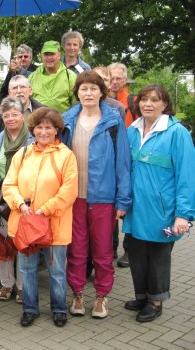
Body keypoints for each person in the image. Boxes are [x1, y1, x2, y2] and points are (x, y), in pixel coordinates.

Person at [61, 71, 131, 319]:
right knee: (76, 250)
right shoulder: (67, 120)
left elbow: (123, 162)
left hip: (103, 199)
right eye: (83, 89)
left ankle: (102, 296)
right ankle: (77, 294)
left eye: (93, 88)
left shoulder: (113, 122)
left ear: (101, 92)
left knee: (103, 251)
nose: (88, 93)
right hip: (74, 199)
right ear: (77, 93)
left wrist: (123, 200)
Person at [123, 84, 194, 323]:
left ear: (165, 105)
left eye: (155, 100)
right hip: (135, 209)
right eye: (144, 99)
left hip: (162, 211)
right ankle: (142, 296)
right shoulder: (132, 131)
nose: (148, 104)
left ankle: (155, 301)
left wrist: (184, 215)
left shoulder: (177, 133)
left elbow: (187, 176)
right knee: (135, 252)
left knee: (157, 257)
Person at [3, 107, 78, 327]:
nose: (43, 132)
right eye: (39, 127)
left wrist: (46, 209)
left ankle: (59, 308)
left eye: (49, 127)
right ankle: (29, 308)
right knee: (27, 269)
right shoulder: (23, 153)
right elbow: (9, 184)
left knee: (56, 270)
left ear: (57, 130)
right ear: (33, 130)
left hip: (54, 223)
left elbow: (69, 190)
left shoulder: (66, 155)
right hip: (26, 223)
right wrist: (19, 204)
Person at [0, 97, 33, 304]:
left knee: (22, 243)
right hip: (1, 201)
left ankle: (23, 286)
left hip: (24, 201)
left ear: (23, 115)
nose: (10, 119)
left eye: (14, 114)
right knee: (3, 242)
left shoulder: (32, 140)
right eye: (6, 115)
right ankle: (6, 283)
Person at [108, 62, 135, 268]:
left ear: (125, 80)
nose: (115, 82)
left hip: (130, 156)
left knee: (127, 205)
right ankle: (112, 248)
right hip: (111, 158)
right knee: (110, 208)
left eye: (119, 78)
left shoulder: (132, 102)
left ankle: (128, 249)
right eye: (112, 78)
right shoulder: (105, 101)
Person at [29, 41, 77, 113]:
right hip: (37, 123)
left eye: (52, 54)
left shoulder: (70, 77)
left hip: (63, 123)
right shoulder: (32, 77)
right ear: (42, 56)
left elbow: (76, 105)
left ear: (59, 55)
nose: (49, 57)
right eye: (46, 54)